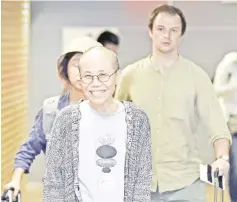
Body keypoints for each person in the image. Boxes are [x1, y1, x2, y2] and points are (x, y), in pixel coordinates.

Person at [115, 4, 232, 202]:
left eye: (173, 30)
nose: (166, 35)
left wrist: (222, 158)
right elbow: (112, 121)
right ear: (150, 32)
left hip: (185, 182)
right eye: (161, 29)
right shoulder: (130, 76)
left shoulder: (197, 77)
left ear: (181, 35)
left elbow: (218, 127)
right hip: (139, 183)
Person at [43, 46, 152, 202]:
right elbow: (53, 182)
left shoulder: (137, 120)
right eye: (88, 76)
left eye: (103, 75)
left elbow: (142, 181)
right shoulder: (66, 119)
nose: (96, 83)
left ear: (117, 76)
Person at [4, 37, 102, 200]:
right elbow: (29, 147)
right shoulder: (51, 110)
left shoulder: (112, 111)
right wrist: (15, 180)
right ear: (65, 69)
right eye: (76, 65)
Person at [213, 52, 237, 202]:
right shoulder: (231, 62)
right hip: (233, 125)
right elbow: (215, 90)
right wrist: (233, 87)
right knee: (234, 171)